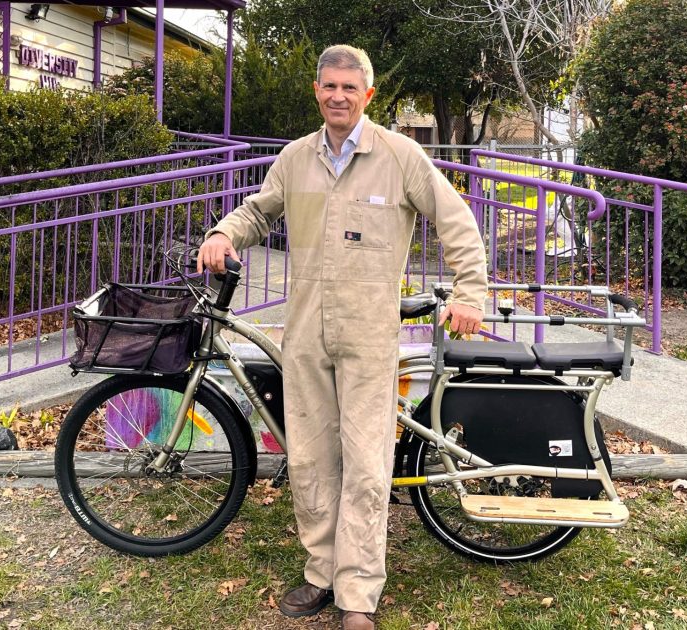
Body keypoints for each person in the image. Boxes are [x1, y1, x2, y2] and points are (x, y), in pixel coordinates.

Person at [197, 44, 487, 630]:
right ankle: (319, 573)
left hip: (367, 336)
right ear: (317, 91)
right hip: (304, 332)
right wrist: (223, 233)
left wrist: (470, 292)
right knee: (309, 458)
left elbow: (455, 220)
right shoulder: (295, 159)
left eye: (349, 88)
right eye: (329, 86)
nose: (338, 96)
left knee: (366, 463)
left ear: (368, 96)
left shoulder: (400, 157)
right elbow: (257, 212)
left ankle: (358, 593)